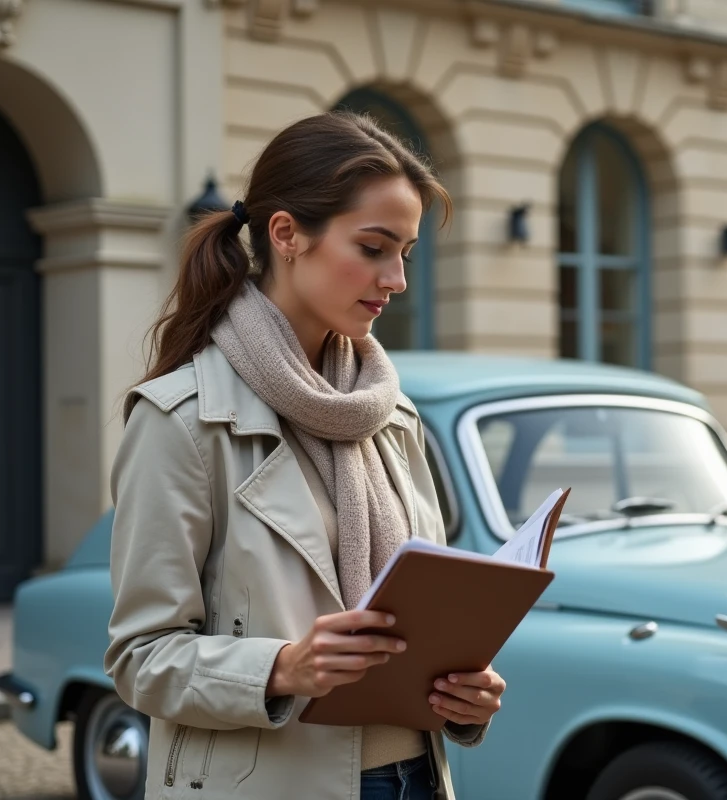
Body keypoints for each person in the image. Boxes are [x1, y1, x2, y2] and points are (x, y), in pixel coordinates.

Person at [104, 111, 504, 800]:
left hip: (416, 776)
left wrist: (465, 694)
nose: (397, 279)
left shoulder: (392, 415)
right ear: (287, 234)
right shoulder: (181, 420)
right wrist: (283, 667)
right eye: (375, 247)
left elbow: (423, 611)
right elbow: (140, 660)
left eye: (406, 253)